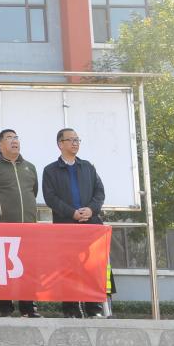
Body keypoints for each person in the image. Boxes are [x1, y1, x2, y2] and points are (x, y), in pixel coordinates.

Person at [42, 128, 106, 318]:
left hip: (90, 225)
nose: (75, 143)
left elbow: (99, 192)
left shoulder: (88, 167)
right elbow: (50, 198)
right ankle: (71, 309)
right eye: (70, 140)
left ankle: (94, 308)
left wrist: (91, 210)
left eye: (77, 139)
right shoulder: (50, 170)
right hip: (66, 226)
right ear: (60, 144)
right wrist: (72, 213)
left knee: (91, 268)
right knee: (68, 268)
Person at [0, 128, 40, 318]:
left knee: (28, 268)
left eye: (16, 137)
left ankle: (29, 308)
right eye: (9, 138)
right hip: (3, 229)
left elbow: (33, 192)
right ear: (0, 144)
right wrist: (0, 212)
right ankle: (4, 308)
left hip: (28, 228)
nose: (14, 140)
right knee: (3, 268)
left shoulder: (30, 167)